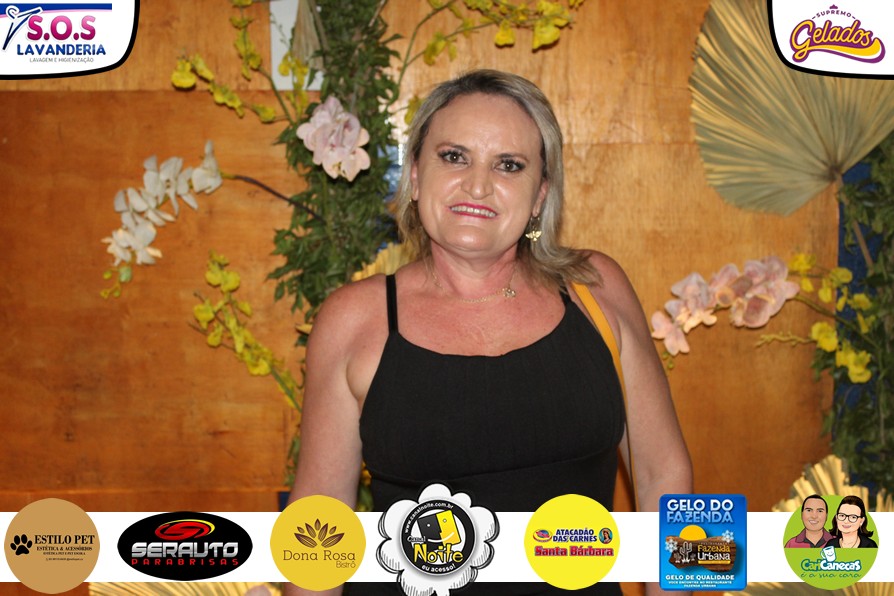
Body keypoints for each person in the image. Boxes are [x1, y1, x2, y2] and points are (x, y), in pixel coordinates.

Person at [287, 69, 692, 595]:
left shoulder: (596, 288)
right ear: (416, 175)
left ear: (540, 194)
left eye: (508, 165)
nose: (478, 185)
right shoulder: (353, 319)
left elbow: (666, 479)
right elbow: (319, 519)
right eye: (454, 157)